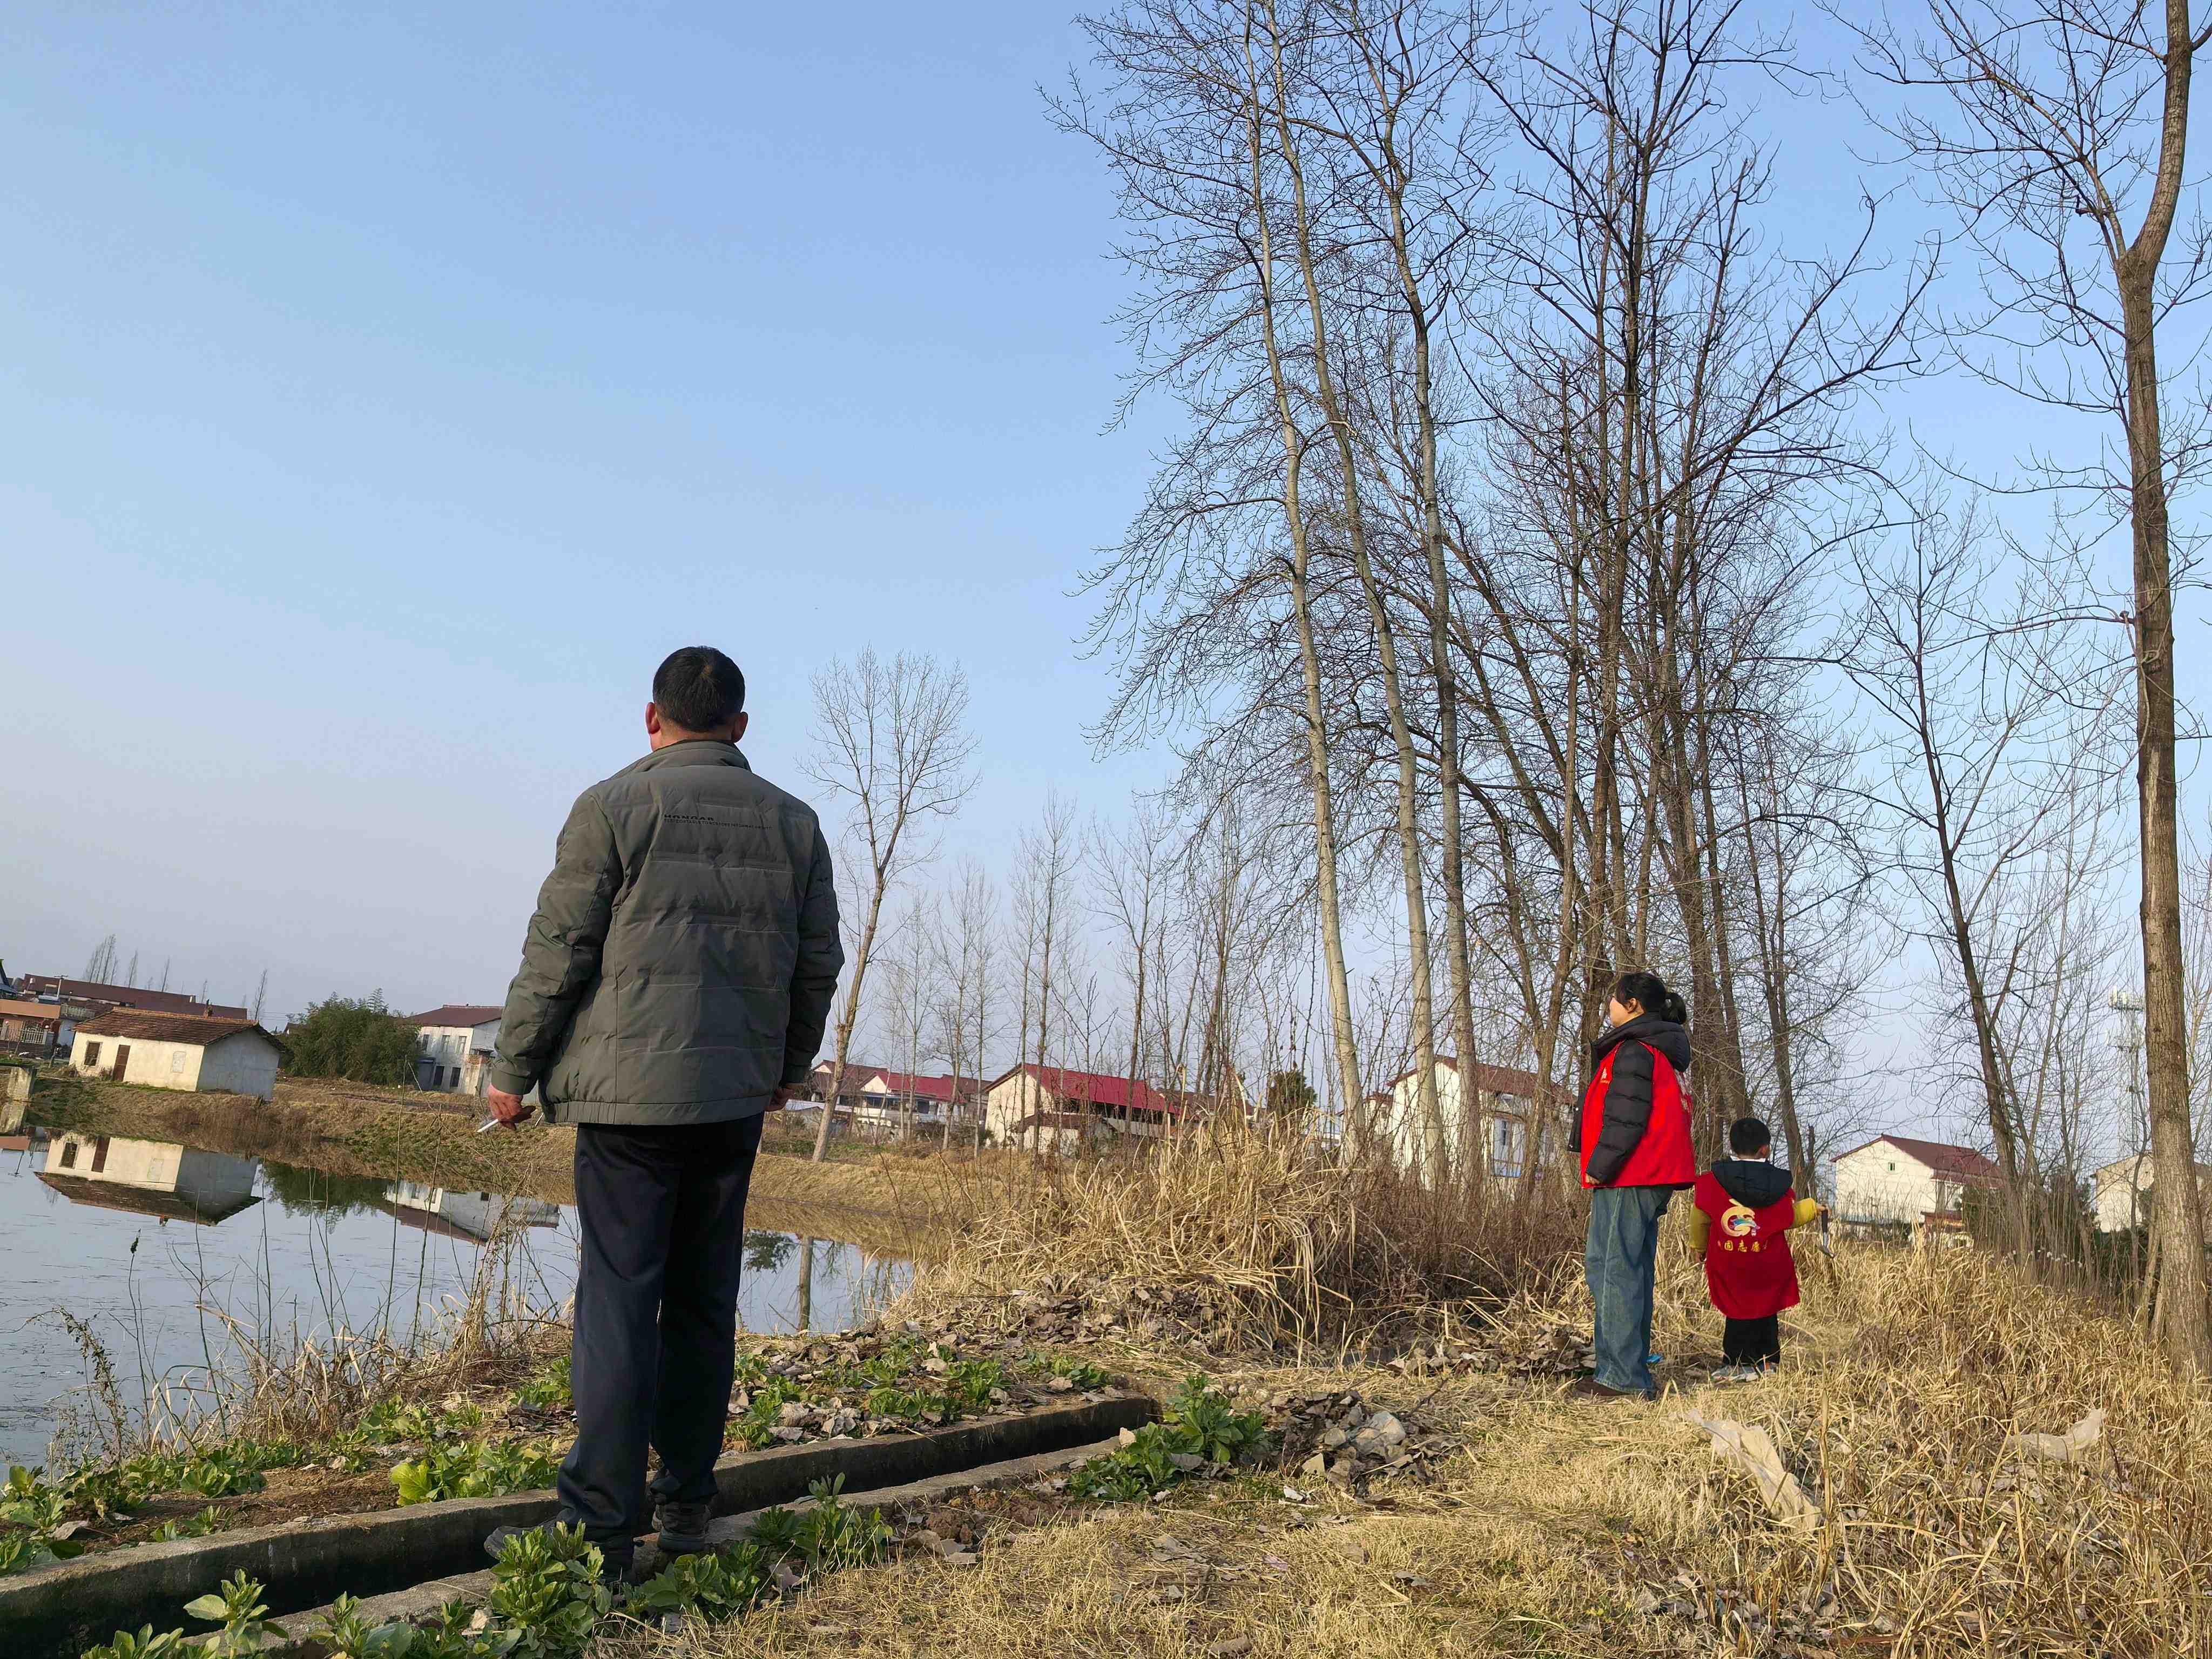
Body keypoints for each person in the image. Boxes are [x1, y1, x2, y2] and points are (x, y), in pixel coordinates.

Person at [481, 646, 842, 1581]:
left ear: (653, 718)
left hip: (628, 1106)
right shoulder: (796, 825)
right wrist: (785, 1066)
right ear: (740, 726)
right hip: (731, 1103)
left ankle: (600, 1533)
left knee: (618, 1302)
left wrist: (513, 1067)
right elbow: (817, 962)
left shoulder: (613, 805)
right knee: (702, 1301)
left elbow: (561, 946)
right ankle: (685, 1506)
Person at [1574, 970, 1695, 1400]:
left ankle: (1620, 1378)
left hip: (1631, 1174)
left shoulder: (1635, 1050)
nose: (1609, 1005)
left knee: (1613, 1269)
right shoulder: (1657, 1048)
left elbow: (1626, 1118)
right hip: (1650, 1174)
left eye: (1615, 998)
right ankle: (1627, 1369)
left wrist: (1600, 1167)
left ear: (1633, 1006)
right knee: (1630, 1270)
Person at [1688, 1116, 1822, 1382]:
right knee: (1766, 1308)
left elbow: (1699, 1217)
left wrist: (1698, 1247)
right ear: (1765, 1149)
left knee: (1736, 1310)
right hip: (1768, 1262)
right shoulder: (1778, 1184)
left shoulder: (1712, 1181)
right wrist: (1812, 1208)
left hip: (1729, 1260)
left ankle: (1736, 1363)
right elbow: (1789, 1217)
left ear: (1733, 1146)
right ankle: (1768, 1363)